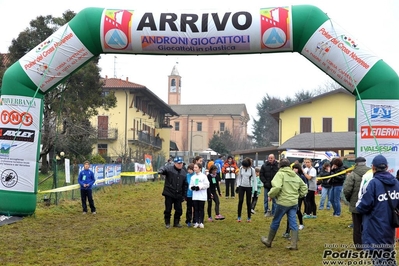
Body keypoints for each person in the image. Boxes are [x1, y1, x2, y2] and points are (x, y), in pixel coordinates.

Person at [356, 155, 399, 265]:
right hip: (390, 227)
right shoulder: (396, 183)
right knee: (389, 257)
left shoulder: (373, 183)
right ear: (387, 167)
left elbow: (363, 206)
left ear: (373, 168)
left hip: (375, 227)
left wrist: (358, 206)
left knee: (379, 258)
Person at [261, 158, 308, 250]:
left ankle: (268, 241)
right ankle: (294, 244)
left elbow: (277, 187)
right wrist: (298, 195)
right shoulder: (295, 175)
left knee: (276, 220)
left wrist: (270, 195)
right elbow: (304, 187)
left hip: (282, 203)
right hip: (293, 203)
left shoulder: (280, 174)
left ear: (280, 166)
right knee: (293, 222)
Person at [343, 157, 370, 250]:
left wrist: (350, 200)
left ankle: (359, 246)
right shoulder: (371, 173)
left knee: (357, 226)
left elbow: (347, 190)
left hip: (356, 204)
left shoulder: (352, 174)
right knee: (368, 226)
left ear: (356, 164)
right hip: (369, 205)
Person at [158, 156, 188, 229]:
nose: (180, 165)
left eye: (181, 163)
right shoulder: (169, 169)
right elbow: (163, 168)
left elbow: (185, 185)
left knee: (179, 210)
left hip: (178, 194)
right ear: (174, 163)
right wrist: (161, 171)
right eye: (179, 163)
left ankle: (176, 222)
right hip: (169, 193)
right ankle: (167, 222)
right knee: (168, 209)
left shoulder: (184, 172)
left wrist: (184, 195)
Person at [283, 163, 307, 239]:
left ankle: (300, 225)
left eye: (296, 168)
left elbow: (304, 186)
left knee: (296, 211)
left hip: (298, 197)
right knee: (292, 213)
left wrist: (302, 195)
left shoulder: (301, 177)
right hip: (291, 197)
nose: (294, 169)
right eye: (293, 168)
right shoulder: (290, 176)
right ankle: (288, 231)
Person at [236, 157, 257, 222]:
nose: (244, 167)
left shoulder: (252, 170)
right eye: (243, 166)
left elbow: (255, 180)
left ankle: (249, 217)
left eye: (245, 166)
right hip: (241, 187)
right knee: (240, 201)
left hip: (249, 187)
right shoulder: (241, 168)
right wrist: (237, 186)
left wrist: (255, 190)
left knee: (248, 202)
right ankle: (239, 217)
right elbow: (239, 178)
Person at [189, 163, 210, 229]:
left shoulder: (203, 176)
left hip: (202, 196)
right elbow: (190, 185)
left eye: (196, 167)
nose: (194, 169)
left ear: (200, 168)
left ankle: (201, 222)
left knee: (201, 208)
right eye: (194, 167)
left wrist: (200, 187)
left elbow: (207, 185)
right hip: (195, 196)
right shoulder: (193, 177)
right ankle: (196, 222)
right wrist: (192, 188)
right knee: (196, 209)